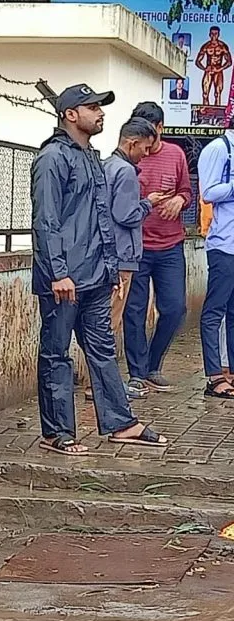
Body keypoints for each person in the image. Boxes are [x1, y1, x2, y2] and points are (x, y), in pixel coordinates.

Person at [31, 84, 168, 456]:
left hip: (94, 276)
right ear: (70, 115)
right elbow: (46, 221)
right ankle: (57, 431)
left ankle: (121, 422)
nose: (100, 113)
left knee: (103, 350)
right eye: (91, 107)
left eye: (100, 107)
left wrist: (109, 270)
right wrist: (58, 272)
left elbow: (102, 219)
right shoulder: (53, 158)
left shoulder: (92, 157)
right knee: (57, 353)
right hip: (64, 279)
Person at [98, 117, 171, 401]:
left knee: (103, 323)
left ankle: (103, 383)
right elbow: (126, 215)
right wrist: (148, 203)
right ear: (132, 143)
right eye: (145, 148)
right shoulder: (126, 172)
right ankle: (103, 386)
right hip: (122, 256)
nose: (146, 154)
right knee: (109, 324)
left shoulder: (106, 166)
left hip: (106, 253)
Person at [123, 102, 192, 394]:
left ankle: (153, 365)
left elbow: (187, 191)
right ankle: (137, 373)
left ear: (160, 128)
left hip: (170, 246)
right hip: (137, 248)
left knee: (175, 308)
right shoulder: (128, 158)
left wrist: (181, 201)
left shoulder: (176, 154)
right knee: (134, 312)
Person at [196, 118, 234, 397]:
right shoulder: (219, 149)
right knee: (214, 312)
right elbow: (208, 192)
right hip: (224, 246)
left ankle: (231, 372)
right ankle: (214, 376)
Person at [197, 26, 232, 107]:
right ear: (209, 34)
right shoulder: (206, 46)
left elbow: (229, 62)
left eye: (215, 34)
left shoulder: (223, 46)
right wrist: (205, 68)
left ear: (218, 35)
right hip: (208, 71)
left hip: (218, 71)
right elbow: (197, 61)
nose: (213, 36)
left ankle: (216, 113)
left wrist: (220, 68)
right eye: (212, 34)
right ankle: (205, 112)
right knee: (205, 93)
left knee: (217, 93)